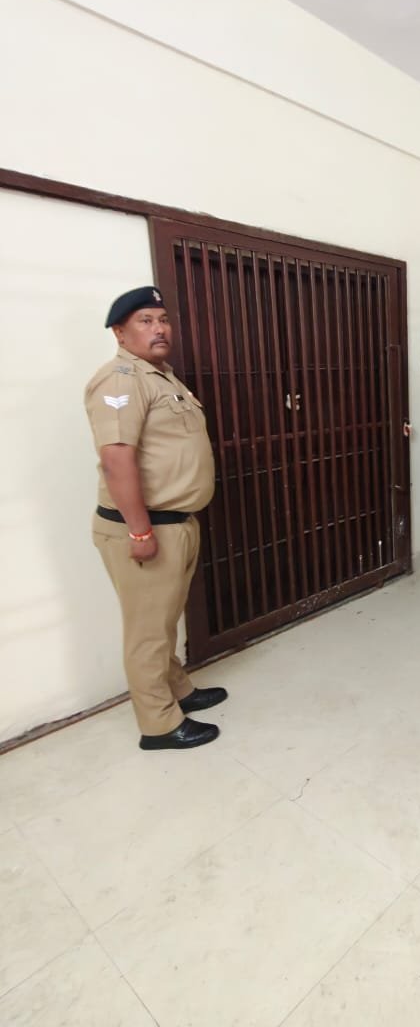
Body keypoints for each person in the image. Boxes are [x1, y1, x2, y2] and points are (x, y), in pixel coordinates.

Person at [85, 286, 227, 750]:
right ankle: (159, 724)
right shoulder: (120, 380)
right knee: (147, 631)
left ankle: (178, 690)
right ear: (119, 331)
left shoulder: (162, 377)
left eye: (163, 319)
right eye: (145, 320)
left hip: (175, 523)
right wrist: (140, 530)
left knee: (163, 622)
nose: (159, 328)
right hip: (147, 528)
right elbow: (116, 460)